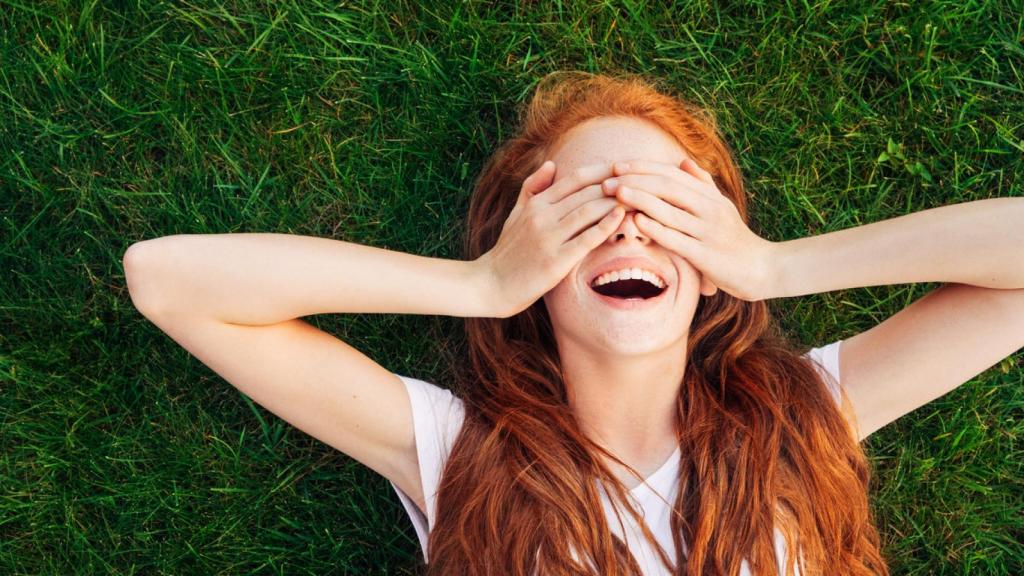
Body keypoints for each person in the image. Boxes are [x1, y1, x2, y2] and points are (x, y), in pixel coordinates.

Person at [123, 71, 1024, 576]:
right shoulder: (456, 450)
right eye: (584, 209)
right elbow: (168, 280)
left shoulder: (804, 417)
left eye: (672, 208)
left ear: (708, 263)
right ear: (536, 264)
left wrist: (773, 266)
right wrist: (480, 284)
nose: (629, 224)